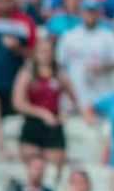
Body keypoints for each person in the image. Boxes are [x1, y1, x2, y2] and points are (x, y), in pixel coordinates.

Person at [14, 37, 78, 177]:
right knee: (31, 170)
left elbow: (74, 99)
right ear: (36, 53)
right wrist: (41, 113)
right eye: (42, 51)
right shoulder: (27, 73)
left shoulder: (60, 74)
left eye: (49, 51)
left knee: (54, 171)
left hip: (53, 125)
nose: (46, 54)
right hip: (33, 124)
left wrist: (65, 113)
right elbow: (18, 102)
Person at [57, 0, 114, 109]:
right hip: (75, 95)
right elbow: (60, 66)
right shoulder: (69, 36)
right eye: (87, 10)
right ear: (81, 12)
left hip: (101, 94)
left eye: (93, 11)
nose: (90, 14)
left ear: (99, 13)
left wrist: (103, 67)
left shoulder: (109, 36)